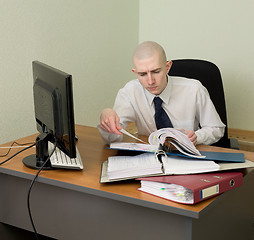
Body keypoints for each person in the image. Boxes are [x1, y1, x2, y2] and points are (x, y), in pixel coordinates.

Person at [98, 41, 225, 145]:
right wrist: (106, 120)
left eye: (156, 71)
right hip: (150, 159)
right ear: (135, 72)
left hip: (189, 155)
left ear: (167, 67)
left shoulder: (194, 89)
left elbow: (216, 129)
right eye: (142, 74)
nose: (150, 81)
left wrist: (197, 137)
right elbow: (114, 138)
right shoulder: (129, 92)